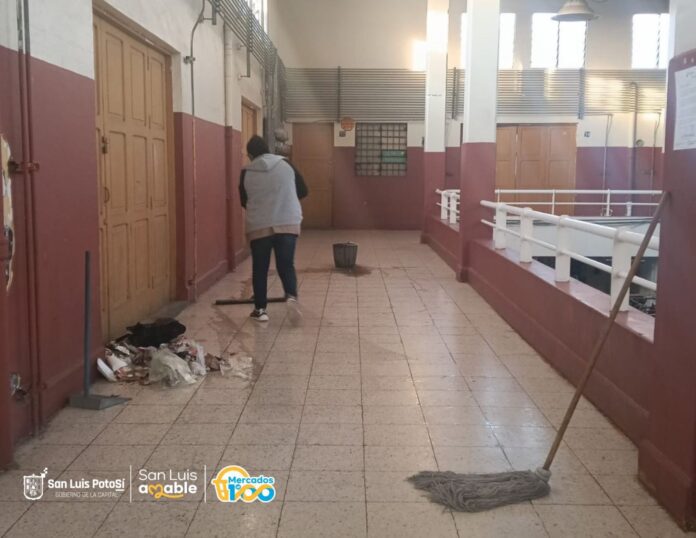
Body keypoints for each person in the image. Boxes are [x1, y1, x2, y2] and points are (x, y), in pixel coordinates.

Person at [239, 135, 308, 323]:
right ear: (268, 149)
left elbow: (244, 201)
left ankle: (260, 310)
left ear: (250, 155)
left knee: (260, 268)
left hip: (259, 225)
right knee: (286, 265)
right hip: (287, 221)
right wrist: (285, 198)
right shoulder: (286, 164)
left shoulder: (246, 172)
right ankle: (291, 296)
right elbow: (303, 190)